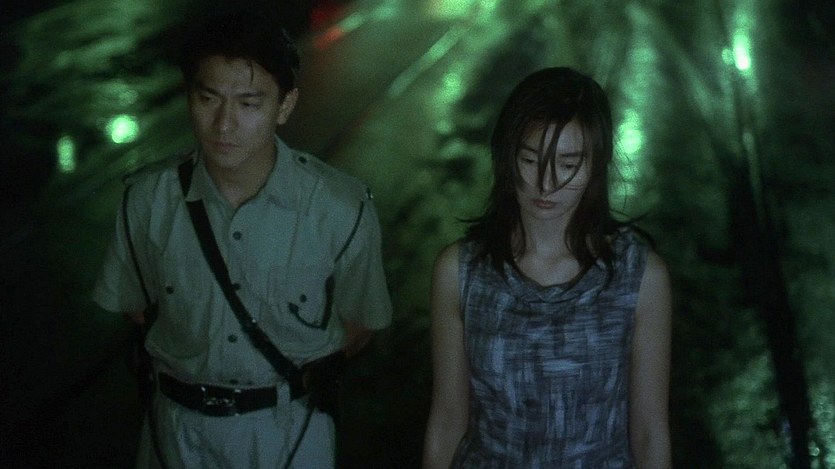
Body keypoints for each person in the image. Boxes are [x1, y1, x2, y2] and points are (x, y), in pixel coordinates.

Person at [93, 10, 392, 469]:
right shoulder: (147, 200)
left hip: (288, 431)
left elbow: (361, 320)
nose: (224, 125)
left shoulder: (340, 208)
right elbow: (135, 307)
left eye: (249, 103)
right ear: (189, 97)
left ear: (284, 106)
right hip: (176, 430)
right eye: (208, 98)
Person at [422, 67, 672, 468]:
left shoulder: (639, 278)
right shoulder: (461, 272)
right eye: (530, 159)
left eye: (569, 163)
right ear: (507, 157)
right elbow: (448, 419)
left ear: (596, 166)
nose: (547, 183)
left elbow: (649, 432)